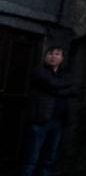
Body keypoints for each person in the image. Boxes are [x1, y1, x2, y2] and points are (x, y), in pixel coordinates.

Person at [19, 45, 75, 176]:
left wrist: (61, 88)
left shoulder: (64, 74)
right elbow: (53, 84)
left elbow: (75, 88)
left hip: (58, 121)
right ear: (45, 56)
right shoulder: (39, 71)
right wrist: (66, 88)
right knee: (30, 159)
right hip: (40, 120)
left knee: (48, 160)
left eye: (57, 54)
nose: (53, 56)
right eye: (50, 53)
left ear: (62, 58)